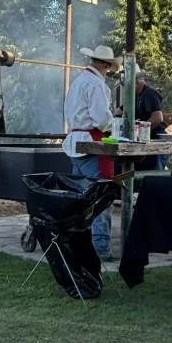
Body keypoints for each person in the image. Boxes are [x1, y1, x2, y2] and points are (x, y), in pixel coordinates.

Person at [62, 44, 118, 260]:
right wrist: (117, 125)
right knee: (101, 196)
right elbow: (102, 120)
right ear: (106, 65)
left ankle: (77, 243)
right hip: (90, 143)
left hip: (76, 143)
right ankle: (100, 247)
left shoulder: (79, 81)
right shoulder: (95, 84)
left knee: (80, 198)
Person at [134, 65, 167, 171]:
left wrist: (138, 131)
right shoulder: (134, 96)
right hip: (144, 142)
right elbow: (119, 111)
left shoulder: (149, 94)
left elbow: (157, 118)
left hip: (155, 141)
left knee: (154, 175)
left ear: (138, 82)